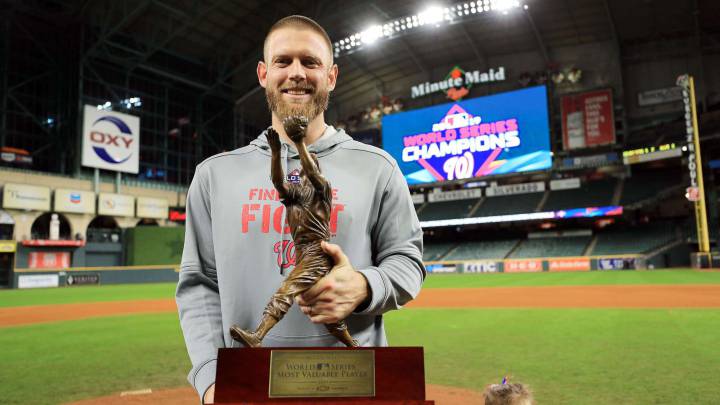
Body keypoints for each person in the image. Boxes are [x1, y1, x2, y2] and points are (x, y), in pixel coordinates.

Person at [176, 15, 425, 404]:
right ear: (263, 73)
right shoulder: (214, 175)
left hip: (354, 386)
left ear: (332, 76)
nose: (296, 73)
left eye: (310, 62)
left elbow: (408, 262)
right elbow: (199, 285)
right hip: (246, 385)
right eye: (283, 61)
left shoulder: (378, 167)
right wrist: (211, 380)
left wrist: (364, 285)